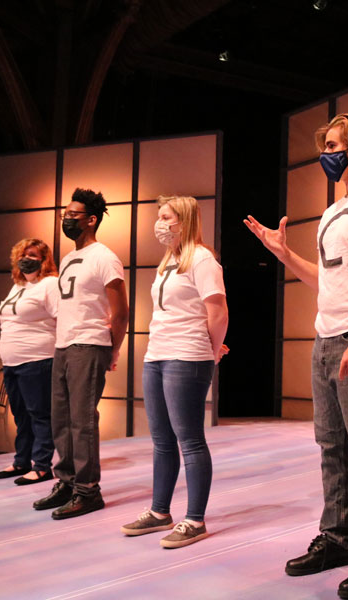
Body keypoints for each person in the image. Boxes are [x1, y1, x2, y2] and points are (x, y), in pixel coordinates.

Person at [245, 113, 348, 599]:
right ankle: (337, 540)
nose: (326, 153)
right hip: (325, 339)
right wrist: (284, 254)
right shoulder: (337, 208)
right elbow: (329, 279)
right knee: (332, 447)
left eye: (334, 144)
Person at [120, 195, 228, 549]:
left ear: (184, 220)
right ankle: (159, 511)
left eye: (166, 217)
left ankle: (195, 519)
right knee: (161, 440)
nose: (160, 223)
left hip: (187, 355)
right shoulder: (169, 260)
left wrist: (211, 351)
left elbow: (217, 311)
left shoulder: (202, 258)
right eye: (159, 216)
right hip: (157, 354)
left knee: (190, 439)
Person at [33, 188, 128, 519]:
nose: (66, 220)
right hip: (63, 344)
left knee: (82, 420)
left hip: (89, 344)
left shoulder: (104, 256)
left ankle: (88, 491)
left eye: (73, 215)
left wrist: (113, 349)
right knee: (60, 418)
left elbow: (121, 312)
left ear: (91, 219)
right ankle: (67, 482)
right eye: (65, 215)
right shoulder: (71, 258)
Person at [0, 238, 58, 485]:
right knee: (20, 414)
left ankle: (42, 466)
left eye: (33, 255)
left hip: (38, 359)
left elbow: (61, 317)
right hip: (12, 360)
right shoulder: (18, 285)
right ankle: (22, 461)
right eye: (23, 255)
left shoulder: (50, 284)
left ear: (44, 260)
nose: (27, 259)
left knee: (40, 413)